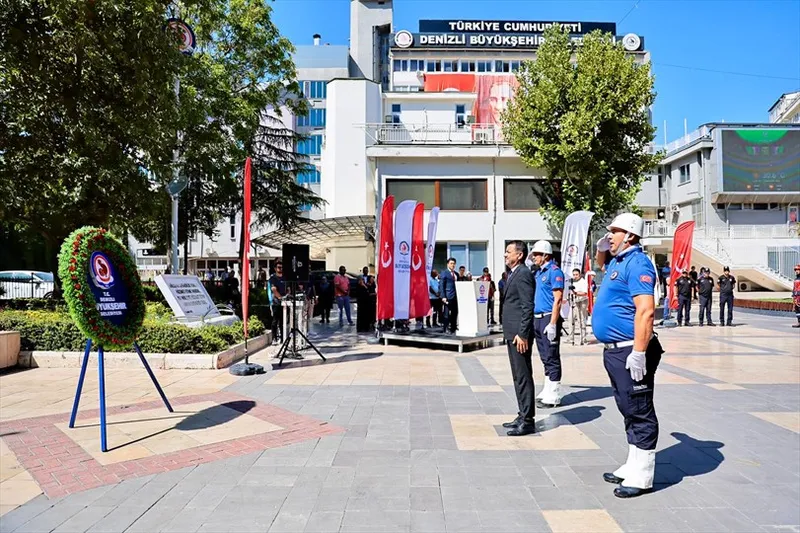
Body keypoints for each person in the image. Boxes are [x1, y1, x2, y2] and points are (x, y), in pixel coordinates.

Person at [594, 212, 664, 499]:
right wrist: (602, 248)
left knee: (639, 409)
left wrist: (639, 352)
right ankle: (633, 463)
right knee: (627, 408)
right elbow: (601, 264)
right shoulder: (619, 261)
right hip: (615, 350)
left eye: (615, 231)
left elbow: (646, 310)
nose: (609, 236)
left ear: (631, 235)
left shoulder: (638, 263)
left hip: (630, 349)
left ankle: (643, 475)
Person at [500, 241, 536, 436]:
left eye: (509, 252)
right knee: (517, 376)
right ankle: (522, 414)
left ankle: (528, 420)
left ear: (519, 255)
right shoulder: (513, 273)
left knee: (523, 376)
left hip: (519, 335)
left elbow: (527, 306)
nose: (506, 255)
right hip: (512, 333)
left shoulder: (523, 274)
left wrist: (523, 334)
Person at [530, 240, 565, 408]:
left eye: (536, 254)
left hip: (548, 317)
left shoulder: (554, 272)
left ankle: (555, 393)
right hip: (537, 317)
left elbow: (558, 299)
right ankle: (547, 388)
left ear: (545, 255)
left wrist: (552, 323)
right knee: (544, 355)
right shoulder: (538, 273)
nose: (534, 257)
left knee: (552, 355)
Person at [269, 261, 287, 344]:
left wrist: (287, 295)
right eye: (279, 267)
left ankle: (283, 338)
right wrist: (280, 297)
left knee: (283, 321)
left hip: (284, 302)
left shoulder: (285, 278)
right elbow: (273, 289)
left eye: (282, 267)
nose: (280, 269)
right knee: (275, 321)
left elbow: (288, 289)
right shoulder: (273, 278)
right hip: (276, 302)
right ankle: (274, 338)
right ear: (275, 268)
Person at [440, 258, 459, 335]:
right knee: (446, 313)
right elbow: (441, 285)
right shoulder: (444, 273)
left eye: (454, 263)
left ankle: (453, 327)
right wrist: (443, 296)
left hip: (455, 297)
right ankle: (446, 328)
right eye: (451, 263)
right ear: (448, 264)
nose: (452, 265)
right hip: (447, 296)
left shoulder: (456, 274)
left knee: (455, 313)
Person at [570, 269, 589, 345]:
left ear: (580, 274)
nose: (575, 276)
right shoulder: (572, 282)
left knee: (581, 319)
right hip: (574, 301)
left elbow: (584, 293)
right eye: (574, 275)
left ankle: (583, 338)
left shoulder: (583, 282)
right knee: (571, 319)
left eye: (576, 274)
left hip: (582, 301)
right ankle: (571, 338)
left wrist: (575, 293)